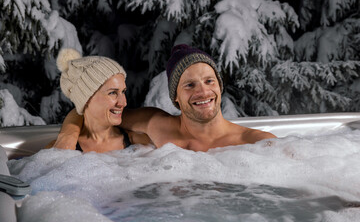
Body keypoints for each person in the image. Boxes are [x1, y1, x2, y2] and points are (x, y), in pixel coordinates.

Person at [53, 44, 276, 152]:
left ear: (219, 86)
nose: (203, 92)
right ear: (175, 97)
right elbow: (93, 110)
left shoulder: (255, 143)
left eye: (209, 81)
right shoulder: (155, 124)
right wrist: (68, 135)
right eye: (189, 85)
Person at [48, 48, 150, 153]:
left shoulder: (140, 144)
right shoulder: (60, 150)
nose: (123, 103)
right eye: (112, 93)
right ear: (86, 98)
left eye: (123, 91)